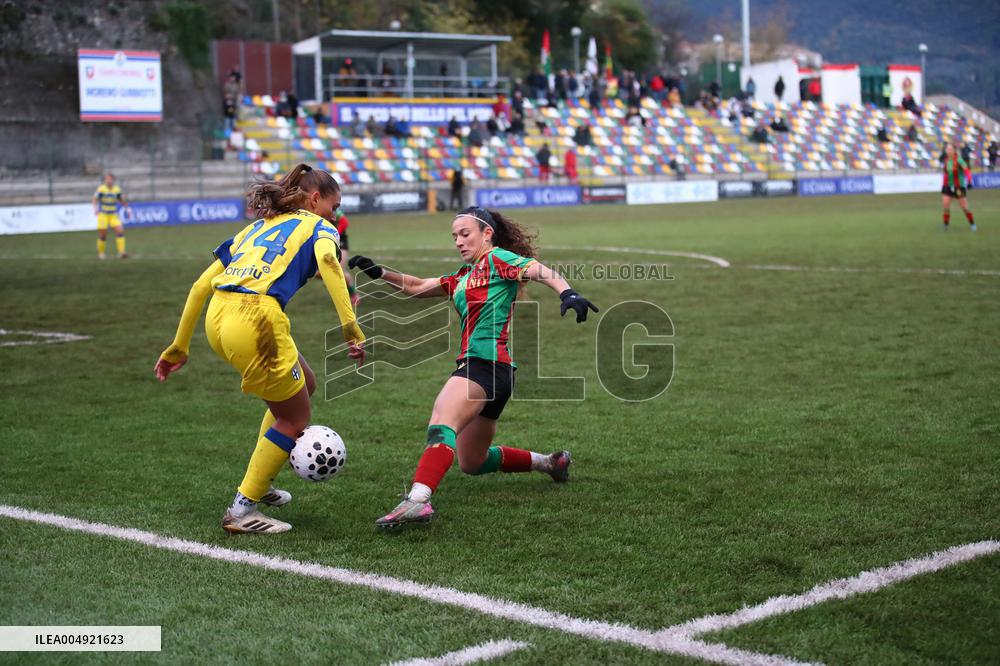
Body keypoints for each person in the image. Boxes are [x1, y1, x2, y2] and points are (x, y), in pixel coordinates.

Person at [346, 207, 598, 529]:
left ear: (486, 234)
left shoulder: (497, 260)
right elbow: (418, 287)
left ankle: (418, 501)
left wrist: (568, 292)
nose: (458, 242)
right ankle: (549, 463)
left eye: (465, 234)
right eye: (454, 237)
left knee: (442, 418)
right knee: (472, 461)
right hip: (497, 373)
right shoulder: (463, 276)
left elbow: (537, 269)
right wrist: (380, 273)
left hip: (484, 365)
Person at [154, 164, 366, 534]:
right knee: (294, 418)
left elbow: (199, 286)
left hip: (219, 318)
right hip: (257, 321)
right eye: (335, 206)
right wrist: (351, 326)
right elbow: (330, 263)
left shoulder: (256, 227)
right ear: (315, 200)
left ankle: (262, 481)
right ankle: (241, 510)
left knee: (306, 385)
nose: (337, 214)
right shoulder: (319, 227)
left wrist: (179, 345)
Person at [940, 144, 976, 232]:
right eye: (947, 149)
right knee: (945, 207)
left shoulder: (959, 160)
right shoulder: (946, 161)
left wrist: (970, 181)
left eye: (950, 149)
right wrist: (944, 184)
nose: (948, 151)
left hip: (959, 186)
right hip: (948, 186)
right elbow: (945, 173)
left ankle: (972, 224)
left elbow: (967, 170)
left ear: (954, 150)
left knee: (964, 208)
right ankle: (945, 225)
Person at [93, 173, 129, 260]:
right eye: (106, 179)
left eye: (110, 179)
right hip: (103, 214)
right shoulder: (102, 189)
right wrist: (95, 208)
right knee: (103, 235)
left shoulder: (116, 189)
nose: (108, 181)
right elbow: (95, 199)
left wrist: (127, 208)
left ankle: (121, 252)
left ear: (113, 180)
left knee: (120, 231)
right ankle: (101, 254)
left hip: (113, 214)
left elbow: (121, 199)